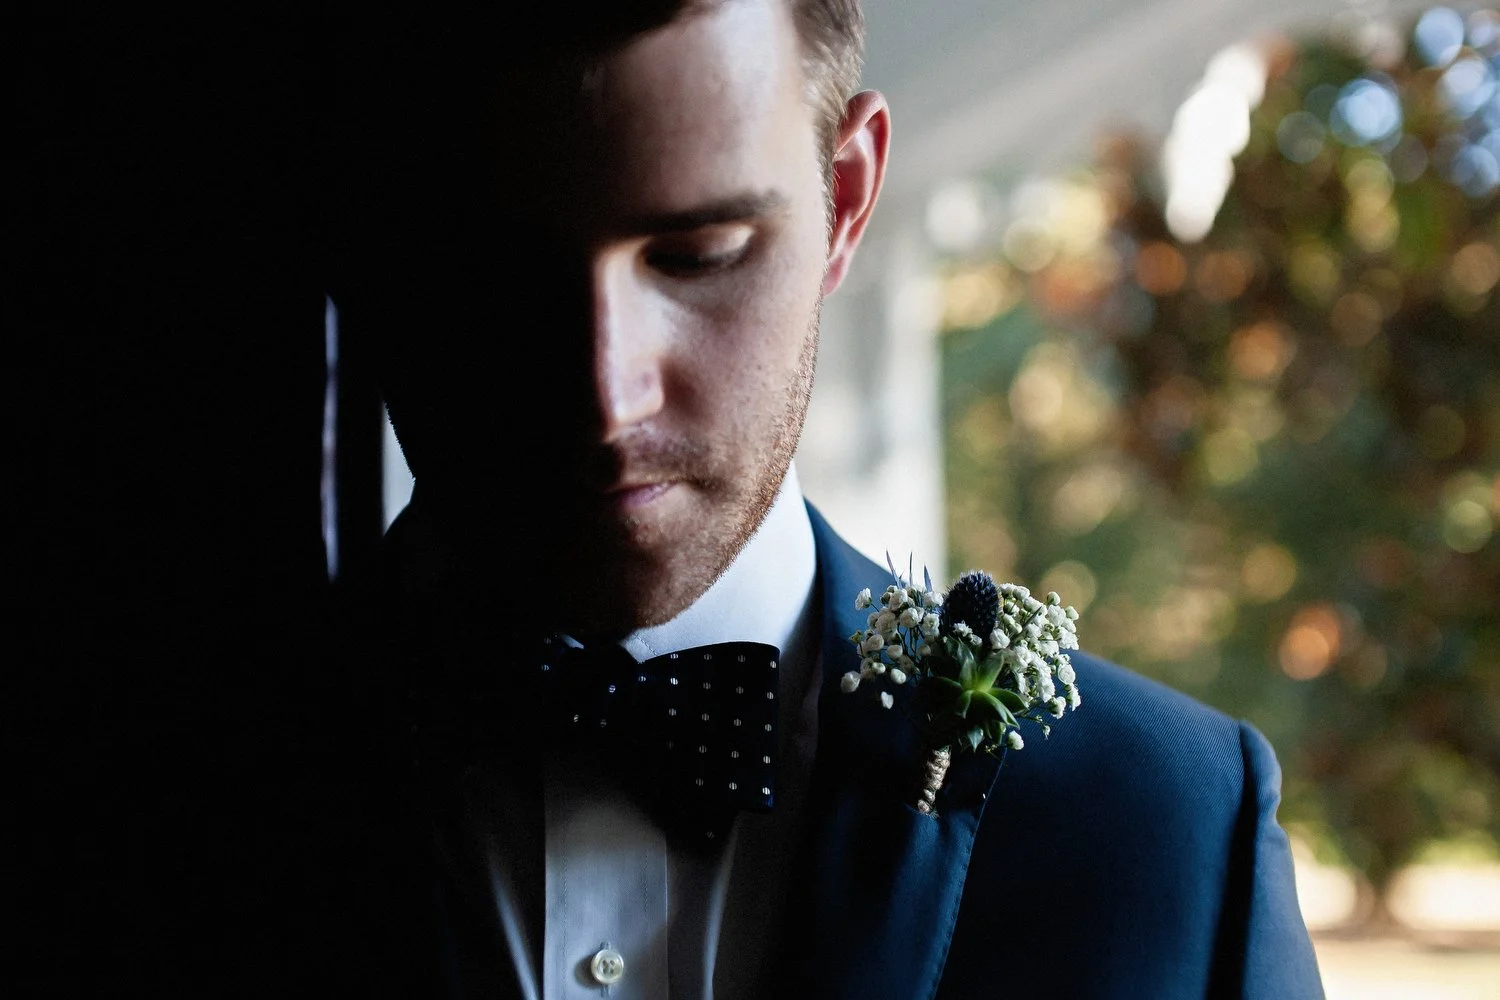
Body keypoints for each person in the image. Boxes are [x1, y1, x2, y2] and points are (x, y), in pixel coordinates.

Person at [324, 1, 1328, 997]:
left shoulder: (1174, 830)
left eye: (700, 252)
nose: (606, 397)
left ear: (844, 198)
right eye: (493, 272)